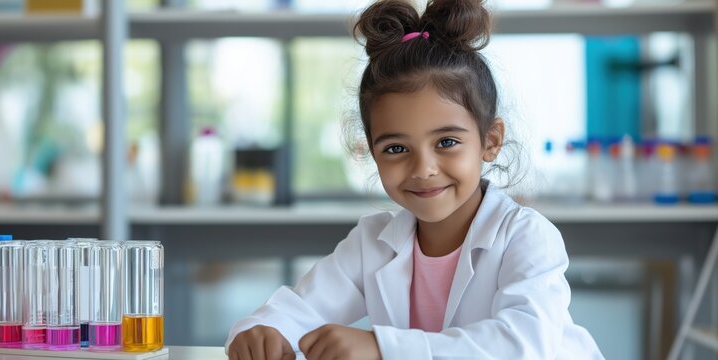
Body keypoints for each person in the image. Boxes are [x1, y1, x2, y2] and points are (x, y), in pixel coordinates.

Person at [226, 0, 604, 358]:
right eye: (395, 149)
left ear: (491, 141)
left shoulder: (527, 237)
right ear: (372, 152)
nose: (423, 168)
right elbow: (296, 309)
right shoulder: (371, 244)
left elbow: (521, 346)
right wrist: (261, 332)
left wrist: (383, 348)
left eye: (447, 142)